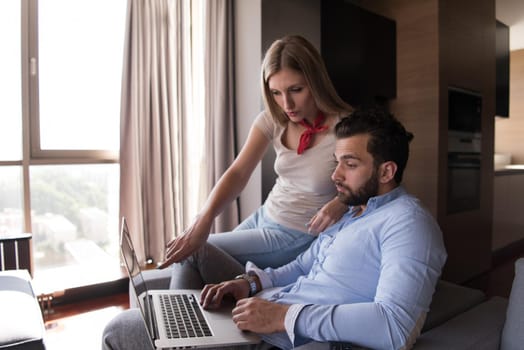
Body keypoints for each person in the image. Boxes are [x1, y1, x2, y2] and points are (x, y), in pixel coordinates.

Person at [102, 107, 447, 350]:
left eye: (350, 164)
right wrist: (249, 282)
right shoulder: (352, 213)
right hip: (262, 314)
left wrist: (284, 317)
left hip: (278, 338)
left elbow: (394, 327)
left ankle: (184, 339)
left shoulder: (409, 225)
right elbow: (301, 267)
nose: (335, 175)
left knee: (118, 329)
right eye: (337, 162)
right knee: (194, 264)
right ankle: (184, 335)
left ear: (386, 172)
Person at [159, 35, 352, 276]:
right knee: (197, 252)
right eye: (276, 93)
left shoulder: (347, 127)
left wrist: (341, 202)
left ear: (315, 81)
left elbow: (373, 182)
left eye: (296, 89)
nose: (286, 103)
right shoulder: (273, 120)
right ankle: (181, 311)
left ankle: (172, 314)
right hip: (263, 216)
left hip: (295, 233)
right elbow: (238, 172)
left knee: (193, 252)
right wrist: (204, 219)